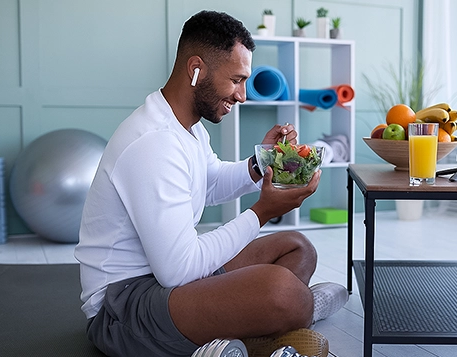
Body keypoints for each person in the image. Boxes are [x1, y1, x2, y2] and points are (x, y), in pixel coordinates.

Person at [74, 10, 348, 357]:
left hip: (171, 282)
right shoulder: (153, 143)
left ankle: (251, 336)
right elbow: (178, 270)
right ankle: (300, 311)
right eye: (236, 80)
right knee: (281, 291)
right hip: (124, 308)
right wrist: (262, 213)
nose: (243, 95)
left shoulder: (187, 127)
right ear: (196, 69)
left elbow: (210, 182)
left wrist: (264, 160)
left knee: (297, 247)